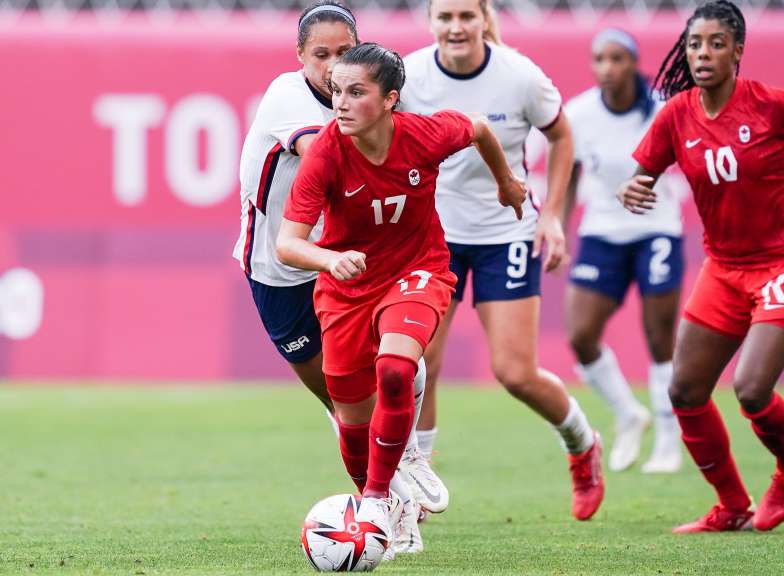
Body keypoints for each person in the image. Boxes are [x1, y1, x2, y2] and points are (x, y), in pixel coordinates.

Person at [619, 0, 784, 533]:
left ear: (737, 51)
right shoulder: (677, 114)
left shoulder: (773, 105)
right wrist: (633, 186)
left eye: (715, 43)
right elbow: (640, 172)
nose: (703, 53)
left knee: (751, 389)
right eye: (694, 44)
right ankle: (732, 505)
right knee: (684, 390)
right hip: (726, 267)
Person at [276, 42, 527, 540]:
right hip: (347, 289)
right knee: (351, 420)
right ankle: (392, 513)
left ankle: (373, 501)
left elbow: (477, 127)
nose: (340, 103)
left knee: (396, 366)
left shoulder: (425, 135)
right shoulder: (326, 152)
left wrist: (506, 183)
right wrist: (330, 258)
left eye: (355, 92)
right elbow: (287, 244)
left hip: (418, 270)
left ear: (391, 99)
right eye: (335, 92)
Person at [231, 2, 442, 552]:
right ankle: (391, 493)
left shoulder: (370, 95)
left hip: (346, 262)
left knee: (382, 378)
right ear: (300, 57)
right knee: (337, 398)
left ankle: (389, 505)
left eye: (345, 53)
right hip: (279, 268)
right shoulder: (288, 97)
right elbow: (330, 149)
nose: (332, 67)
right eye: (320, 55)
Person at [400, 0, 605, 521]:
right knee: (422, 366)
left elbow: (561, 135)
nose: (456, 27)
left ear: (483, 18)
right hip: (434, 237)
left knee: (514, 372)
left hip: (503, 232)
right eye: (444, 17)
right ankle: (420, 485)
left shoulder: (520, 76)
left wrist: (552, 215)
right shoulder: (411, 75)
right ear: (431, 23)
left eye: (466, 16)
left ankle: (582, 445)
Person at [563, 28, 688, 474]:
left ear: (633, 63)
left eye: (617, 58)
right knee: (580, 334)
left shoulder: (662, 109)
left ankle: (669, 439)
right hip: (602, 231)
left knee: (659, 339)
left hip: (657, 229)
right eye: (599, 59)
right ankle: (627, 413)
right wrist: (558, 230)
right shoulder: (578, 113)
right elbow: (568, 175)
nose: (607, 68)